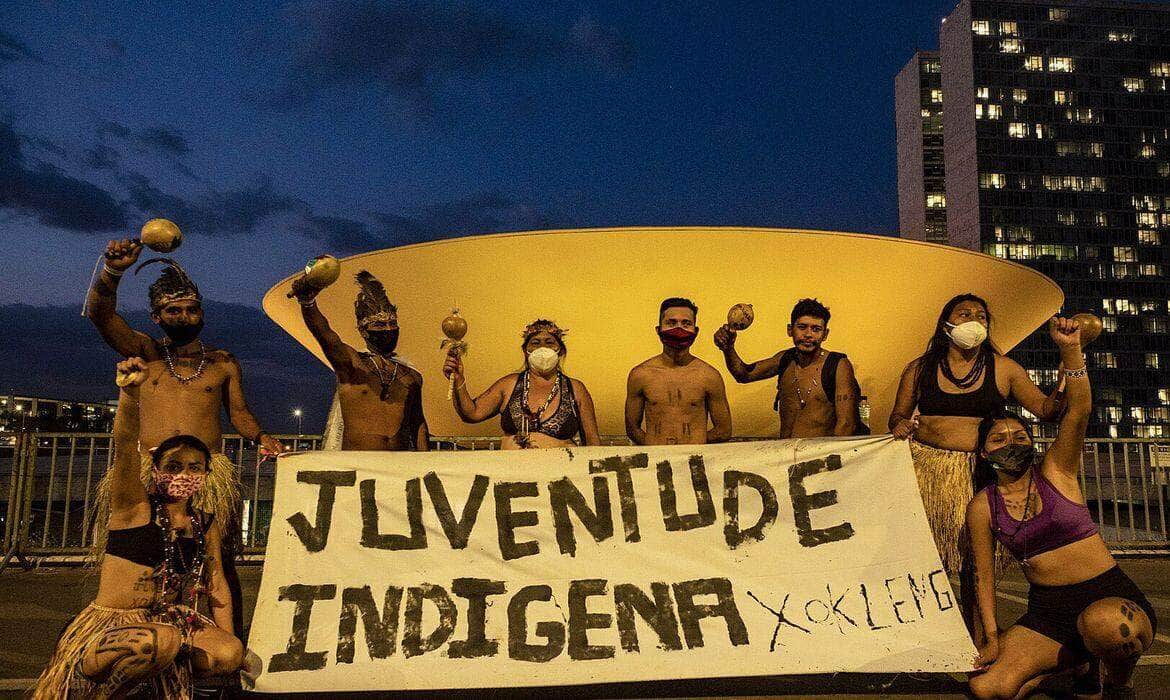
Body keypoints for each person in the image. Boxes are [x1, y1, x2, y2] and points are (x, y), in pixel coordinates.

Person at [86, 240, 282, 637]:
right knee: (145, 560)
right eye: (173, 310)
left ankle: (226, 649)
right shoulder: (146, 351)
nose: (185, 316)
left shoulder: (222, 363)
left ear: (202, 313)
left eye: (192, 309)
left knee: (215, 564)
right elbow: (100, 313)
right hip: (147, 471)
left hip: (207, 474)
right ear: (156, 317)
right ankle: (145, 641)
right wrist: (112, 271)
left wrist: (262, 437)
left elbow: (239, 413)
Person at [967, 318, 1156, 699]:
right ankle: (1073, 663)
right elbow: (983, 577)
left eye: (1020, 435)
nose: (1011, 443)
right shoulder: (983, 506)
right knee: (988, 688)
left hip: (1109, 597)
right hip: (1049, 612)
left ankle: (1119, 684)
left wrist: (1070, 350)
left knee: (1103, 626)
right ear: (985, 453)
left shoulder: (1055, 471)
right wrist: (990, 637)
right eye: (999, 439)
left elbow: (1079, 411)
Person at [34, 358, 243, 699]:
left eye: (194, 468)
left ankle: (158, 678)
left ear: (205, 474)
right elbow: (125, 446)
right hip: (115, 624)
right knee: (159, 642)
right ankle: (94, 688)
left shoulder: (204, 523)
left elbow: (217, 583)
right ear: (156, 468)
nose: (183, 475)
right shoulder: (133, 507)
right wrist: (130, 395)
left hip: (170, 619)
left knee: (229, 652)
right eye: (173, 466)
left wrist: (229, 641)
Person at [888, 294, 1066, 630]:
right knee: (925, 557)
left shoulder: (1004, 368)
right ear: (947, 324)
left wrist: (1065, 376)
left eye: (981, 315)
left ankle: (978, 636)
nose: (974, 320)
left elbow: (1046, 411)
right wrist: (898, 424)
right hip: (928, 472)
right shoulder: (919, 367)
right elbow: (897, 414)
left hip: (982, 474)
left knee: (976, 560)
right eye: (965, 313)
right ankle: (922, 636)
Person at [292, 270, 429, 451]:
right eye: (380, 325)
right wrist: (307, 303)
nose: (389, 329)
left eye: (393, 323)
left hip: (398, 467)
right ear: (364, 331)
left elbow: (417, 422)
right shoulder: (352, 364)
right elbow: (324, 334)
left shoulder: (411, 375)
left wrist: (426, 461)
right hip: (358, 465)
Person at [714, 298, 862, 437]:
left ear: (825, 334)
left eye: (816, 329)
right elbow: (744, 374)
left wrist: (830, 461)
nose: (808, 334)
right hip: (786, 456)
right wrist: (728, 348)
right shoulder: (785, 359)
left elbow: (846, 425)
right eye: (802, 327)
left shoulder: (838, 365)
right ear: (790, 330)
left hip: (821, 458)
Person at [443, 319, 601, 449]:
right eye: (535, 343)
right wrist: (459, 380)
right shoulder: (509, 385)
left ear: (560, 350)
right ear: (526, 351)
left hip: (560, 480)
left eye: (549, 342)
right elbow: (471, 413)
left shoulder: (575, 388)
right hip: (513, 479)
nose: (543, 348)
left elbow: (592, 441)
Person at [625, 297, 732, 445]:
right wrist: (655, 447)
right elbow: (632, 429)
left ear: (696, 331)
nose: (679, 329)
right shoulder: (640, 375)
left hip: (695, 461)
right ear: (658, 330)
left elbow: (724, 431)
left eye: (686, 323)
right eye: (671, 323)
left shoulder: (709, 376)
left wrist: (692, 445)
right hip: (656, 461)